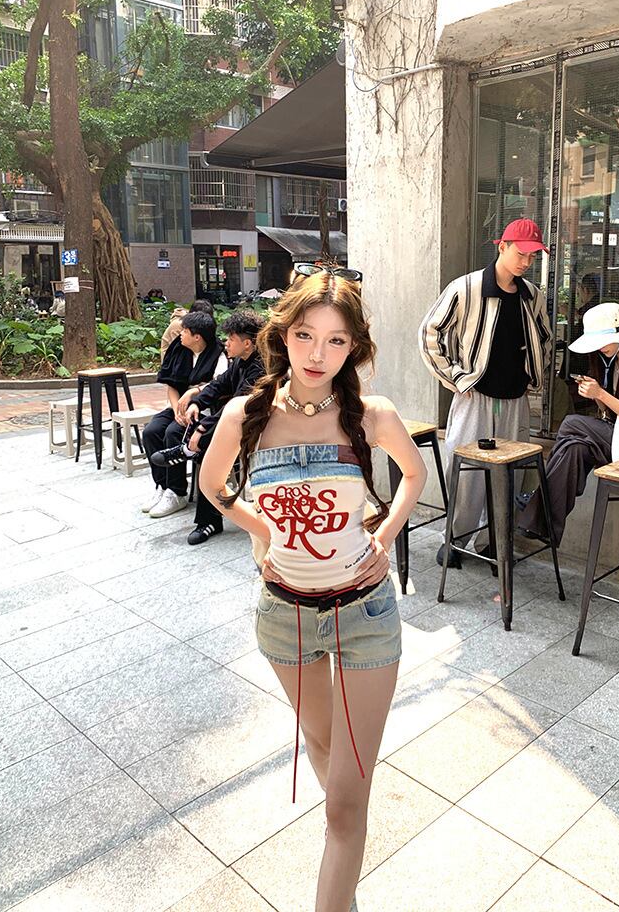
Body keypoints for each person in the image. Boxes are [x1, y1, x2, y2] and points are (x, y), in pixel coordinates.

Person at [199, 271, 426, 912]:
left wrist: (386, 532)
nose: (318, 354)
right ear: (283, 336)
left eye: (336, 340)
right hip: (285, 618)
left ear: (354, 347)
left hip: (365, 615)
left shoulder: (372, 415)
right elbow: (214, 486)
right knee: (323, 747)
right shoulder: (247, 416)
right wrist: (261, 528)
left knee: (345, 807)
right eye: (305, 335)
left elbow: (413, 474)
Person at [418, 217, 552, 567]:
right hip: (474, 397)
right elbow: (430, 333)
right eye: (521, 253)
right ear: (502, 247)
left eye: (532, 256)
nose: (526, 262)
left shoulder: (531, 295)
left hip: (516, 399)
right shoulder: (467, 288)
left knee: (510, 475)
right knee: (466, 473)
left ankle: (493, 543)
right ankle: (455, 541)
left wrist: (533, 375)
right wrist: (457, 378)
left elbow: (545, 338)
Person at [520, 301, 619, 544]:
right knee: (574, 448)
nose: (600, 347)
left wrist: (600, 393)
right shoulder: (614, 361)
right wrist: (597, 395)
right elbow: (611, 413)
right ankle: (544, 523)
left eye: (603, 340)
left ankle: (538, 498)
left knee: (571, 423)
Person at [151, 311, 266, 544]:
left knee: (208, 451)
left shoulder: (260, 369)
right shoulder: (240, 362)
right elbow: (218, 385)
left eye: (231, 338)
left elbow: (238, 405)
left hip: (258, 429)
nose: (226, 343)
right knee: (188, 439)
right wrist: (197, 402)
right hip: (236, 423)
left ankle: (209, 520)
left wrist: (203, 428)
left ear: (247, 343)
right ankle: (199, 507)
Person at [142, 310, 227, 518]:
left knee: (173, 433)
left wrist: (194, 393)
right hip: (178, 407)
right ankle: (162, 485)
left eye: (185, 331)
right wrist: (176, 409)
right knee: (151, 431)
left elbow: (218, 385)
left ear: (197, 337)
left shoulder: (218, 354)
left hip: (203, 410)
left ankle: (177, 491)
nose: (180, 334)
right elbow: (171, 385)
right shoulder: (179, 350)